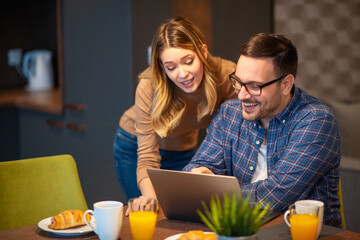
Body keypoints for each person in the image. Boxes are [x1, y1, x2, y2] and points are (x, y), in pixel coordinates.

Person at [184, 33, 341, 227]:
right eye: (238, 82)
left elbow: (275, 195)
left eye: (254, 86)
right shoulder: (229, 113)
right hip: (241, 231)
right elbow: (195, 169)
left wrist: (210, 191)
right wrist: (199, 174)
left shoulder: (315, 120)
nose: (241, 95)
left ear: (286, 84)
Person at [113, 16, 237, 202]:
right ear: (162, 67)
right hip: (134, 144)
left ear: (203, 52)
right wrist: (148, 197)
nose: (182, 74)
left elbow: (236, 135)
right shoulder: (149, 87)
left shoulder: (226, 75)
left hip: (182, 149)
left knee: (182, 211)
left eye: (188, 61)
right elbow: (147, 157)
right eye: (171, 67)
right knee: (150, 210)